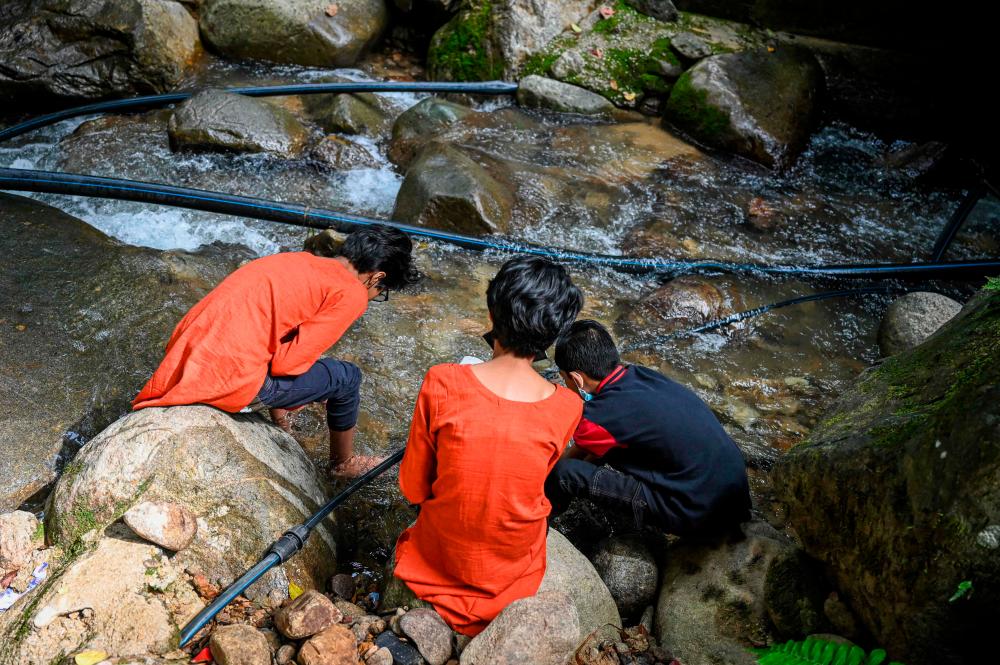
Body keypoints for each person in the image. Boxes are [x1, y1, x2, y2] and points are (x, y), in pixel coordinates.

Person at [391, 256, 584, 636]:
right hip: (509, 569)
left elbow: (412, 486)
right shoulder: (569, 405)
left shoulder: (442, 381)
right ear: (554, 335)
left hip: (440, 558)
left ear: (493, 313)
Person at [132, 225, 420, 477]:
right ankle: (343, 463)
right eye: (380, 291)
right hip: (229, 378)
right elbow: (286, 364)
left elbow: (271, 331)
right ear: (375, 277)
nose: (373, 297)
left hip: (185, 360)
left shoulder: (297, 261)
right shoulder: (353, 292)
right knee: (346, 377)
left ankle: (282, 419)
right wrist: (307, 388)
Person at [545, 319, 751, 536]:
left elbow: (574, 457)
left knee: (564, 473)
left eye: (564, 378)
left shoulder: (599, 415)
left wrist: (542, 477)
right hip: (734, 499)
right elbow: (595, 448)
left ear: (576, 378)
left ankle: (544, 522)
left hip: (695, 512)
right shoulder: (642, 375)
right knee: (607, 448)